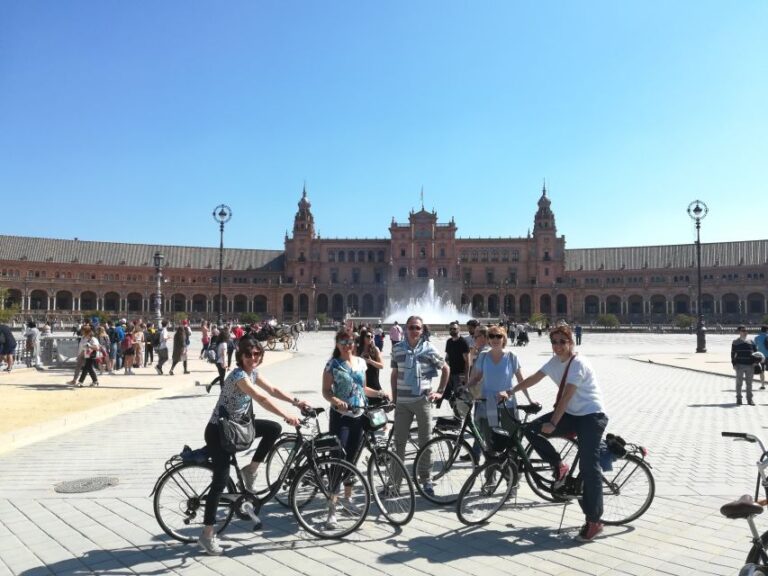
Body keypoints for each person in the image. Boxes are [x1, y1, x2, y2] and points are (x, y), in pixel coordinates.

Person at [198, 337, 303, 556]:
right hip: (220, 432)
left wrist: (296, 401)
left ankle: (251, 470)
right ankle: (207, 535)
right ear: (241, 356)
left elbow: (272, 389)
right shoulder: (238, 376)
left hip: (238, 427)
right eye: (248, 354)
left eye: (256, 354)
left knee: (273, 429)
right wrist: (287, 415)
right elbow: (261, 398)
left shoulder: (252, 373)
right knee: (219, 482)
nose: (253, 358)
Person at [508, 325, 608, 542]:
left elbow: (566, 396)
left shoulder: (578, 363)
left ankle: (594, 521)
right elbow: (535, 377)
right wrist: (510, 391)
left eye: (563, 341)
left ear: (571, 342)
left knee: (589, 466)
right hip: (571, 414)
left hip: (591, 416)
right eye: (554, 342)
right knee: (531, 429)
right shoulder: (555, 361)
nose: (558, 346)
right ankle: (558, 465)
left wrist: (553, 423)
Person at [323, 328, 388, 529]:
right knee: (338, 460)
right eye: (343, 341)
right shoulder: (332, 364)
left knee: (352, 459)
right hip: (341, 417)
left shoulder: (360, 362)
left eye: (350, 341)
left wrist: (379, 393)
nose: (347, 345)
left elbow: (363, 389)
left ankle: (347, 500)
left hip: (359, 415)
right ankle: (331, 510)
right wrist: (336, 401)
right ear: (337, 344)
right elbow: (326, 391)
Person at [390, 315, 449, 496]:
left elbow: (445, 368)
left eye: (417, 328)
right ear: (405, 329)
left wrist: (440, 391)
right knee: (398, 443)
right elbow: (395, 373)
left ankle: (426, 480)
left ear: (422, 330)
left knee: (426, 443)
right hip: (403, 403)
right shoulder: (398, 349)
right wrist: (394, 397)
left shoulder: (429, 349)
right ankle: (395, 483)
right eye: (411, 327)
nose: (414, 330)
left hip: (422, 401)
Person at [467, 325, 532, 448]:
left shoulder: (512, 356)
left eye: (499, 336)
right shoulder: (484, 356)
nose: (495, 339)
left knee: (511, 440)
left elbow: (520, 379)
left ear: (504, 339)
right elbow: (477, 377)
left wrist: (529, 400)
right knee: (491, 440)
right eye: (492, 336)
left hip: (507, 403)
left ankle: (512, 465)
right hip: (488, 403)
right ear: (488, 339)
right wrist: (465, 387)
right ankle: (493, 465)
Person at [441, 321, 470, 408]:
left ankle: (463, 416)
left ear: (459, 329)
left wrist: (466, 376)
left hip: (459, 374)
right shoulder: (449, 341)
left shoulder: (463, 342)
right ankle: (457, 413)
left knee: (460, 395)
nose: (452, 330)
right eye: (451, 329)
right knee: (448, 395)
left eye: (454, 328)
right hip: (450, 373)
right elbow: (447, 357)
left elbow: (467, 361)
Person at [357, 328, 385, 407]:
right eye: (368, 336)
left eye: (372, 336)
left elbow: (381, 365)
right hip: (361, 383)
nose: (370, 338)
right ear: (363, 337)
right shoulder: (358, 350)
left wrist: (370, 361)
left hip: (374, 382)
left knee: (376, 410)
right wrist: (360, 358)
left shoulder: (375, 349)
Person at [732, 325, 758, 406]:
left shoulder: (751, 342)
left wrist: (756, 362)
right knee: (739, 383)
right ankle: (739, 398)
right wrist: (734, 364)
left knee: (749, 383)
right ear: (739, 332)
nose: (745, 332)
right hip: (740, 365)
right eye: (743, 331)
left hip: (750, 365)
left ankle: (749, 399)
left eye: (746, 330)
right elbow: (732, 354)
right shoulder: (735, 342)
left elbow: (756, 353)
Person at [206, 328, 230, 393]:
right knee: (222, 377)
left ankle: (211, 385)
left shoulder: (219, 343)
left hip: (218, 361)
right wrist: (225, 363)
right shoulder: (224, 344)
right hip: (221, 361)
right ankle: (222, 392)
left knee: (221, 377)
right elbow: (224, 354)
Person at [755, 325, 768, 390]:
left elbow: (755, 348)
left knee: (762, 371)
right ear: (767, 330)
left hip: (761, 357)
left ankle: (763, 385)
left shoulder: (757, 338)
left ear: (761, 330)